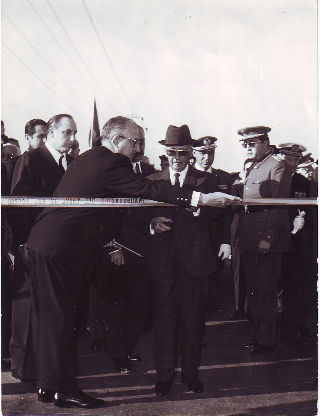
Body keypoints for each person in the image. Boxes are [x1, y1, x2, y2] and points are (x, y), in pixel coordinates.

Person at [26, 116, 239, 409]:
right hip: (60, 249)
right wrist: (198, 198)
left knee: (49, 319)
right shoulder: (112, 162)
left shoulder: (90, 157)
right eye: (135, 142)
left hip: (47, 245)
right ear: (117, 141)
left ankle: (48, 385)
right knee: (61, 320)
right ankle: (64, 390)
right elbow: (149, 190)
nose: (139, 148)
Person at [147, 125, 232, 396]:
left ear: (190, 155)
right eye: (171, 153)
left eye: (182, 153)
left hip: (195, 263)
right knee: (164, 322)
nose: (176, 158)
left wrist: (200, 212)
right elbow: (135, 214)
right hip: (163, 265)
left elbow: (220, 215)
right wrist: (151, 222)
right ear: (165, 153)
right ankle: (164, 376)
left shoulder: (205, 182)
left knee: (193, 322)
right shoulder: (153, 180)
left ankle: (191, 375)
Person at [9, 115, 75, 382]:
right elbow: (17, 201)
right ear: (51, 133)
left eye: (74, 134)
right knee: (26, 303)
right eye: (67, 133)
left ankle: (43, 365)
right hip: (31, 244)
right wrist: (22, 242)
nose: (71, 139)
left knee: (47, 308)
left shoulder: (69, 163)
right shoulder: (32, 158)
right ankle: (21, 364)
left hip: (55, 248)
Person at [235, 126, 292, 355]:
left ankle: (266, 341)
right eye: (245, 144)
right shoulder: (253, 167)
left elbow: (279, 207)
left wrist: (267, 238)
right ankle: (260, 335)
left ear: (266, 143)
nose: (248, 148)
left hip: (266, 241)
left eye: (253, 143)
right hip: (250, 239)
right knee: (255, 291)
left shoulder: (277, 166)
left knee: (266, 291)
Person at [277, 143, 317, 342]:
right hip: (278, 238)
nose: (292, 163)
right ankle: (284, 327)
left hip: (299, 242)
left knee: (299, 283)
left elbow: (309, 209)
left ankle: (299, 325)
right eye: (288, 159)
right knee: (280, 285)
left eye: (295, 159)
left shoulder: (302, 181)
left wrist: (303, 222)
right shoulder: (274, 179)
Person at [192, 136, 232, 311]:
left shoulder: (223, 178)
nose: (206, 158)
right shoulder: (188, 176)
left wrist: (226, 241)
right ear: (194, 153)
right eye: (202, 153)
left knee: (215, 275)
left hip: (215, 237)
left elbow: (228, 214)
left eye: (210, 153)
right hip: (192, 238)